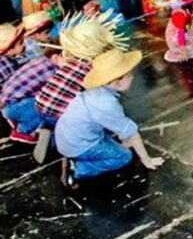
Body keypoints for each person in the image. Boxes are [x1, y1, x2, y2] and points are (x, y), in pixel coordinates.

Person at [56, 49, 164, 189]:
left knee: (119, 139)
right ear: (117, 81)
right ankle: (77, 169)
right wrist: (146, 159)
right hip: (79, 144)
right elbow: (131, 132)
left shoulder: (96, 91)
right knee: (123, 156)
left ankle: (77, 156)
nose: (132, 78)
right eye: (129, 75)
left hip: (67, 134)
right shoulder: (106, 104)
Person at [33, 11, 128, 164]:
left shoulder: (70, 61)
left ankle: (47, 129)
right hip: (59, 109)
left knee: (61, 120)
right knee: (84, 119)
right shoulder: (92, 68)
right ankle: (72, 159)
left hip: (41, 102)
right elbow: (96, 99)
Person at [0, 46, 60, 143]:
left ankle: (21, 126)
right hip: (13, 105)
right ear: (56, 57)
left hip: (8, 102)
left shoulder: (41, 60)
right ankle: (24, 131)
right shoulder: (51, 69)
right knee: (45, 106)